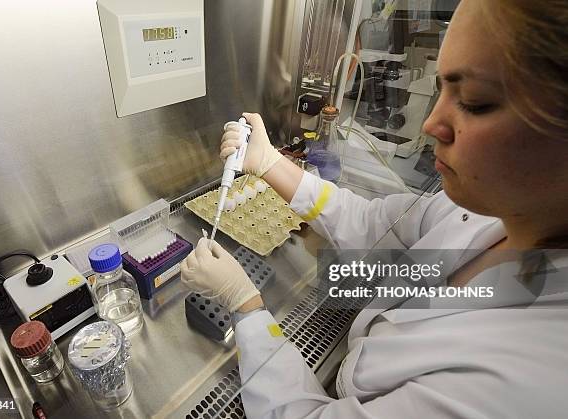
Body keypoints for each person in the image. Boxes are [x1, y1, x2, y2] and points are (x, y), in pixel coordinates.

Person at [181, 0, 568, 417]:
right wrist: (271, 163)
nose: (431, 124)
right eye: (441, 90)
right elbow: (375, 225)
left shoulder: (526, 383)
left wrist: (246, 306)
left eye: (474, 101)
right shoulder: (493, 210)